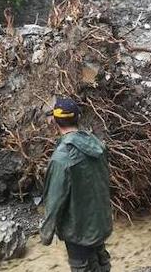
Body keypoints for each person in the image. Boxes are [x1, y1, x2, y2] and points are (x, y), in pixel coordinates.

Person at [40, 97, 113, 272]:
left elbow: (55, 199)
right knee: (101, 261)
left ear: (56, 122)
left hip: (78, 228)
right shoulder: (97, 145)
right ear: (78, 118)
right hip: (99, 221)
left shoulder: (62, 158)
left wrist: (46, 233)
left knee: (82, 266)